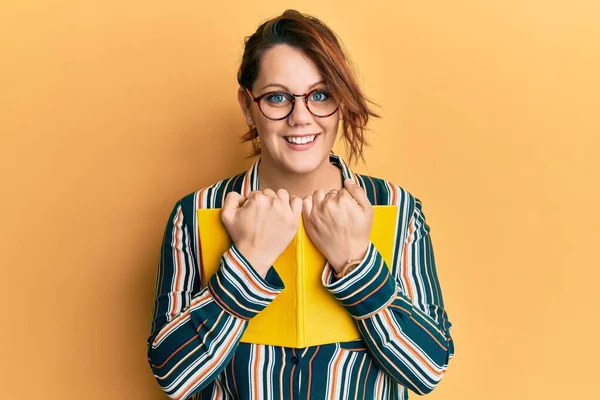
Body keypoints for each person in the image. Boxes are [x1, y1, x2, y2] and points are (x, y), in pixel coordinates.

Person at [147, 9, 454, 400]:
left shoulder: (396, 207)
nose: (301, 117)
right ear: (247, 105)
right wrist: (249, 261)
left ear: (341, 102)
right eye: (277, 97)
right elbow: (174, 378)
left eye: (320, 95)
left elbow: (427, 370)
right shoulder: (194, 214)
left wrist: (355, 261)